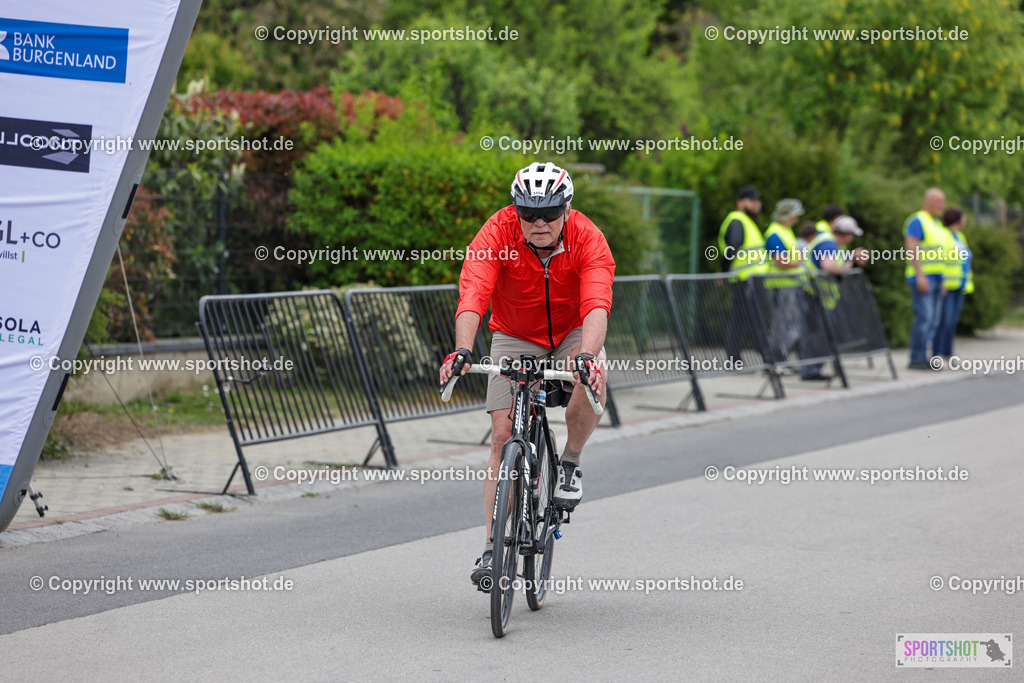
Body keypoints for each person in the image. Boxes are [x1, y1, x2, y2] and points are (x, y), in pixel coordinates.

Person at [438, 162, 614, 589]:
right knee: (501, 436)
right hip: (516, 333)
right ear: (515, 209)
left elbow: (596, 301)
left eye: (550, 213)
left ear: (567, 209)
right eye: (528, 212)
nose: (539, 223)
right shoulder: (496, 232)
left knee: (591, 379)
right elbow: (474, 291)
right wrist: (463, 348)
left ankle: (569, 462)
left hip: (573, 329)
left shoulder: (588, 237)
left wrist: (587, 356)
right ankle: (491, 547)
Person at [799, 216, 869, 379]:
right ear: (846, 234)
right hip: (813, 295)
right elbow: (828, 265)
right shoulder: (828, 243)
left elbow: (839, 264)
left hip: (818, 296)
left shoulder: (833, 244)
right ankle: (810, 371)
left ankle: (812, 369)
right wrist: (844, 270)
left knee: (820, 334)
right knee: (817, 335)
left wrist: (851, 259)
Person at [904, 188, 956, 370]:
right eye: (938, 201)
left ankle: (925, 357)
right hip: (923, 278)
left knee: (933, 320)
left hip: (936, 279)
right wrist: (920, 275)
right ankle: (916, 358)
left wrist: (943, 281)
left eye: (943, 201)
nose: (942, 205)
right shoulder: (918, 221)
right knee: (924, 319)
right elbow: (912, 248)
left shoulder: (936, 224)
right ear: (928, 202)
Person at [718, 185, 769, 363]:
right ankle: (765, 358)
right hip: (745, 280)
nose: (756, 205)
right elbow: (732, 248)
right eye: (752, 200)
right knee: (749, 320)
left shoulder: (747, 222)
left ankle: (737, 358)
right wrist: (724, 273)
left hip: (751, 279)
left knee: (742, 320)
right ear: (740, 202)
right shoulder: (738, 220)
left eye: (757, 201)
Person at [763, 199, 805, 365]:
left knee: (788, 323)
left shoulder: (785, 231)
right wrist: (799, 262)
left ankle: (781, 358)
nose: (797, 219)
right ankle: (775, 359)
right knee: (780, 325)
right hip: (779, 286)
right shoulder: (775, 234)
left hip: (788, 285)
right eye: (795, 216)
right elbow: (780, 262)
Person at [934, 207, 973, 360]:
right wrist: (942, 280)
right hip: (948, 285)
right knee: (945, 320)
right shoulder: (943, 235)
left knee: (952, 321)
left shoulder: (960, 237)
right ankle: (938, 352)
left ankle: (948, 353)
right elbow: (940, 258)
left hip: (959, 284)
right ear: (957, 219)